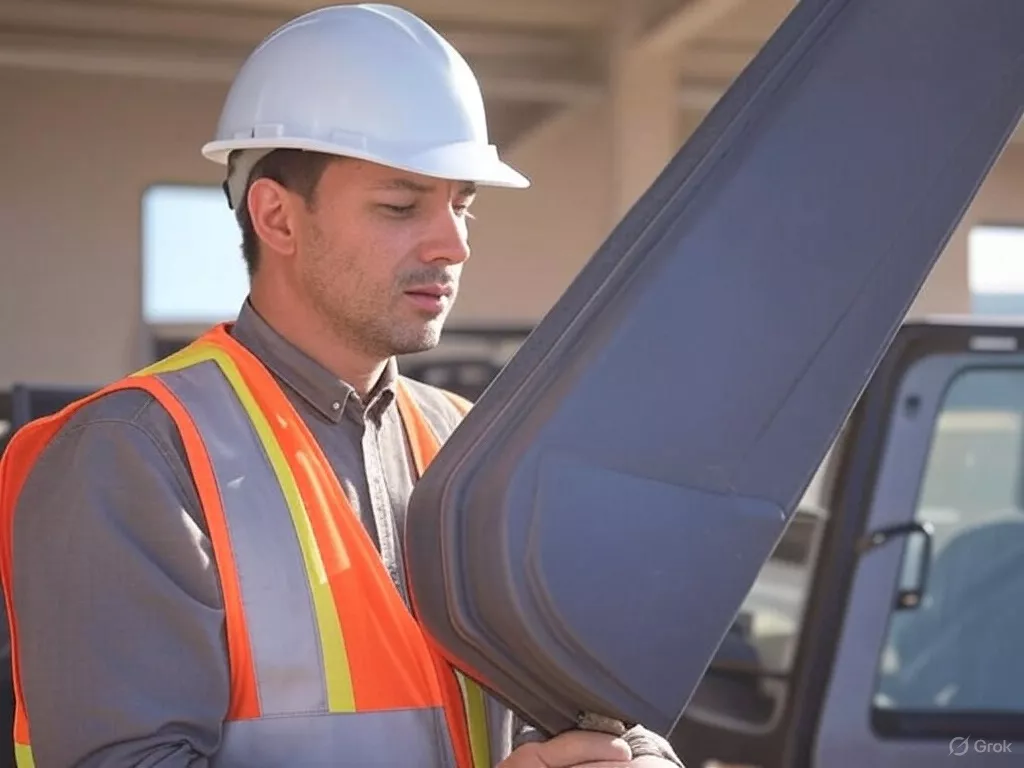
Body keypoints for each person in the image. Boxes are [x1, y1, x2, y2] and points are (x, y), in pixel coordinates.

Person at [0, 4, 684, 767]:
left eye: (462, 205)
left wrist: (633, 756)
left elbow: (575, 704)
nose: (453, 243)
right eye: (401, 205)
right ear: (277, 219)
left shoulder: (468, 444)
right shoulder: (134, 454)